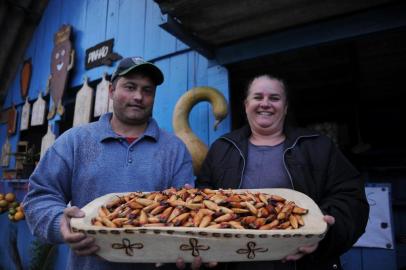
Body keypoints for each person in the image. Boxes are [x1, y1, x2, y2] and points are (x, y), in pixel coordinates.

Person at [23, 57, 194, 270]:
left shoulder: (175, 150)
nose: (138, 96)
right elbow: (39, 197)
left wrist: (188, 242)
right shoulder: (75, 141)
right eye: (130, 87)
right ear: (112, 91)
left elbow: (185, 210)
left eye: (147, 90)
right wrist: (60, 223)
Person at [195, 74, 369, 270]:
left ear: (285, 107)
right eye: (258, 97)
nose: (265, 103)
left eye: (274, 98)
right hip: (233, 263)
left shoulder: (318, 146)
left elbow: (351, 197)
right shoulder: (222, 148)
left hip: (303, 263)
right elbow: (204, 195)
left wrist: (323, 229)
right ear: (246, 105)